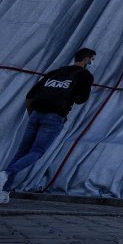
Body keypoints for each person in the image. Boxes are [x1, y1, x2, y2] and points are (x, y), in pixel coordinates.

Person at [1, 47, 96, 202]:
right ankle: (5, 174)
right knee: (37, 151)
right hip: (54, 117)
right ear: (86, 59)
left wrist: (34, 115)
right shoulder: (85, 75)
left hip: (36, 114)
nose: (91, 62)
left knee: (21, 152)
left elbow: (30, 95)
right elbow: (81, 100)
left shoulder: (54, 73)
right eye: (91, 59)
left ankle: (4, 190)